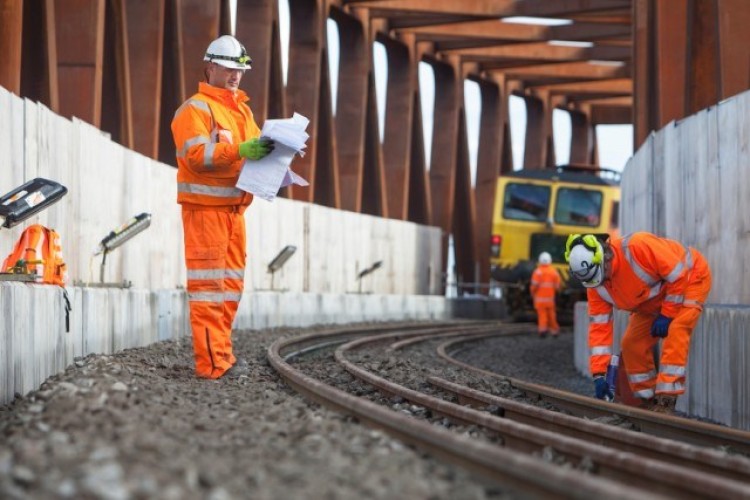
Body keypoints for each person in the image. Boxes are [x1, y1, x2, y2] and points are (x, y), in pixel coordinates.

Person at [171, 35, 274, 379]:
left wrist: (273, 161)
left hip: (234, 213)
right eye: (229, 68)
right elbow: (197, 156)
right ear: (210, 67)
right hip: (205, 213)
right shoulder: (195, 109)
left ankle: (223, 357)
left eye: (240, 70)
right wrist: (241, 151)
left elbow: (253, 149)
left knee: (229, 292)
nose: (234, 76)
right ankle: (212, 366)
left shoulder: (242, 111)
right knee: (208, 294)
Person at [564, 232, 712, 413]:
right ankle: (648, 400)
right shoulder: (595, 285)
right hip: (653, 300)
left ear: (605, 257)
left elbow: (678, 275)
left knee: (676, 330)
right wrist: (599, 374)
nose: (599, 282)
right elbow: (599, 328)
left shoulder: (637, 247)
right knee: (631, 344)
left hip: (691, 278)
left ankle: (666, 400)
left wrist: (667, 314)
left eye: (600, 274)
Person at [529, 251, 561, 338]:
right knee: (552, 315)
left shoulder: (537, 272)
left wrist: (532, 293)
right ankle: (555, 331)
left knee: (542, 315)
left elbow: (534, 286)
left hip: (540, 300)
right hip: (550, 300)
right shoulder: (554, 272)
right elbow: (557, 286)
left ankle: (543, 331)